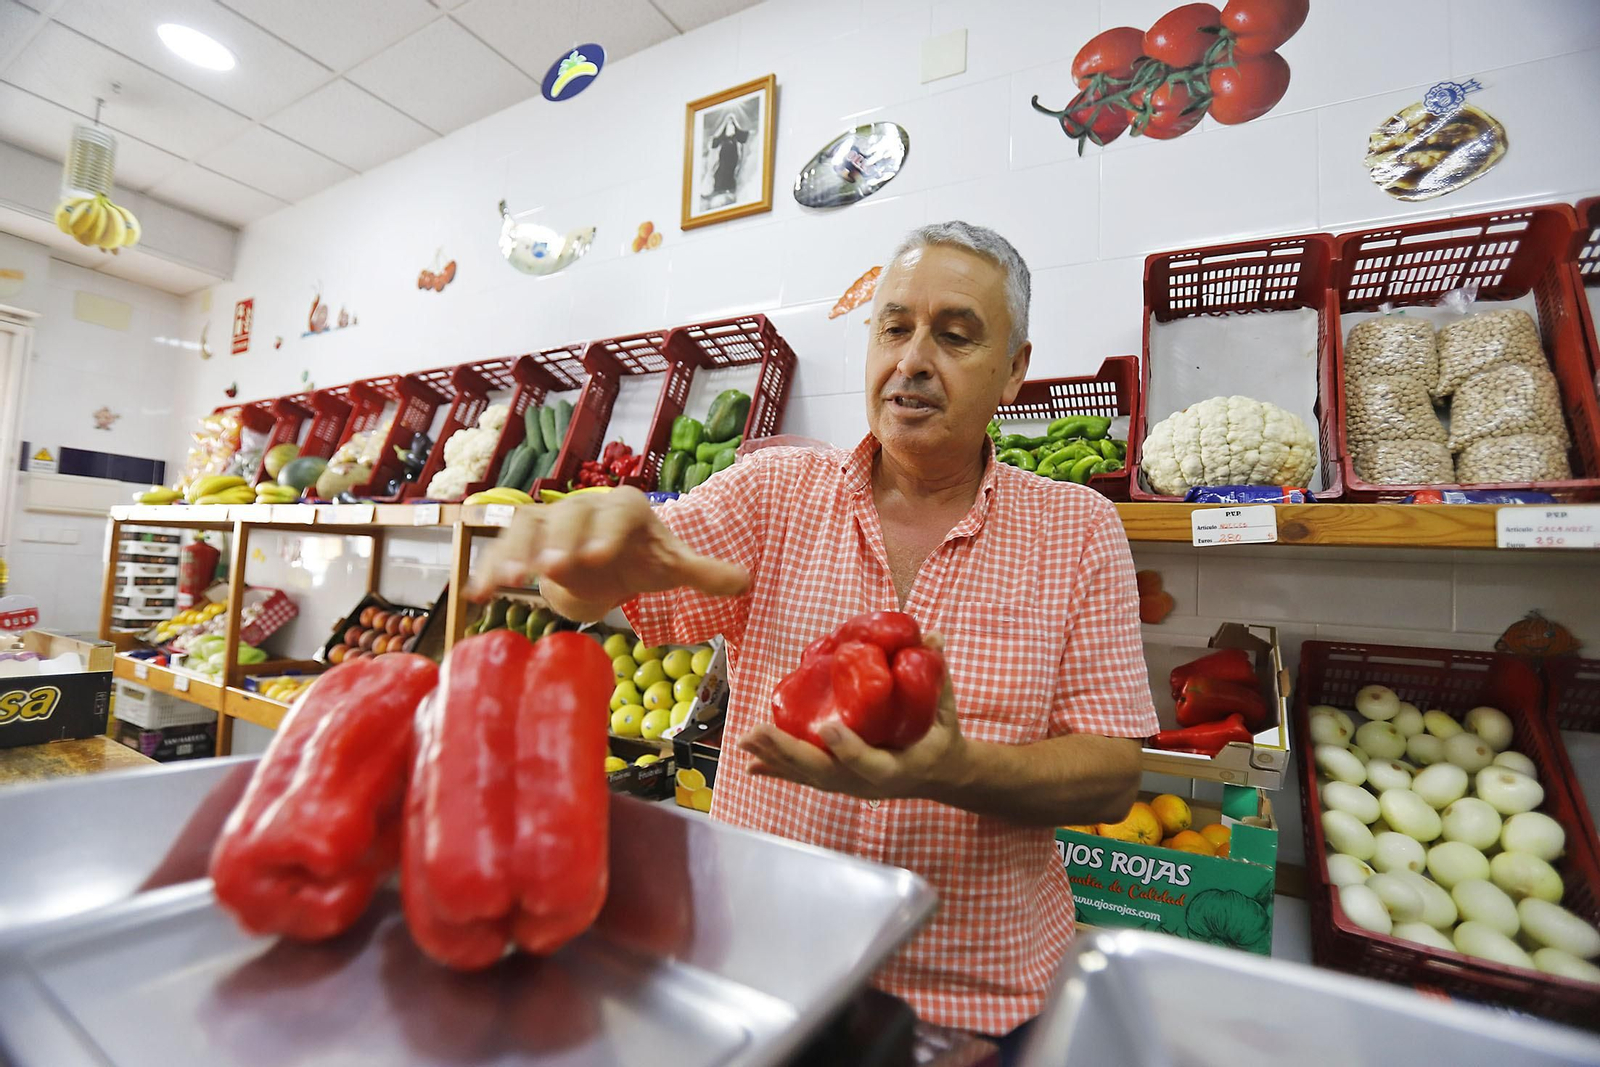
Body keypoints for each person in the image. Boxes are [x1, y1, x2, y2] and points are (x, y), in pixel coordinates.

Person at [473, 221, 1157, 1055]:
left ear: (1015, 368)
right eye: (894, 328)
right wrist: (585, 557)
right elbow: (595, 587)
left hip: (973, 1003)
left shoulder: (1078, 529)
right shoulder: (775, 493)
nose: (912, 360)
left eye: (954, 335)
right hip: (765, 972)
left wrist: (954, 770)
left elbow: (1113, 774)